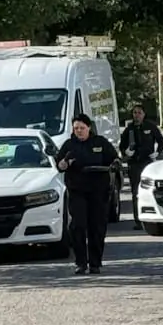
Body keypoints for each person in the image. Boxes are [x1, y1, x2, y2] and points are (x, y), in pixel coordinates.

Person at [55, 113, 119, 275]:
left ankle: (95, 263)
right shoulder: (69, 146)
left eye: (82, 128)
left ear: (89, 128)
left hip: (98, 192)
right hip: (77, 192)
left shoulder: (100, 143)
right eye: (76, 128)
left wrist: (115, 164)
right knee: (78, 226)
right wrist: (64, 163)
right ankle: (81, 262)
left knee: (96, 227)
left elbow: (114, 159)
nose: (79, 131)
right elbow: (59, 165)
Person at [119, 103, 163, 208]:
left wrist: (157, 152)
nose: (137, 115)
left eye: (139, 113)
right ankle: (138, 221)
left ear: (144, 114)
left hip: (147, 162)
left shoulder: (150, 126)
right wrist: (125, 152)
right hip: (134, 163)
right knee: (136, 192)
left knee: (149, 190)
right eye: (135, 113)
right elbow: (122, 145)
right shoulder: (129, 129)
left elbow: (162, 141)